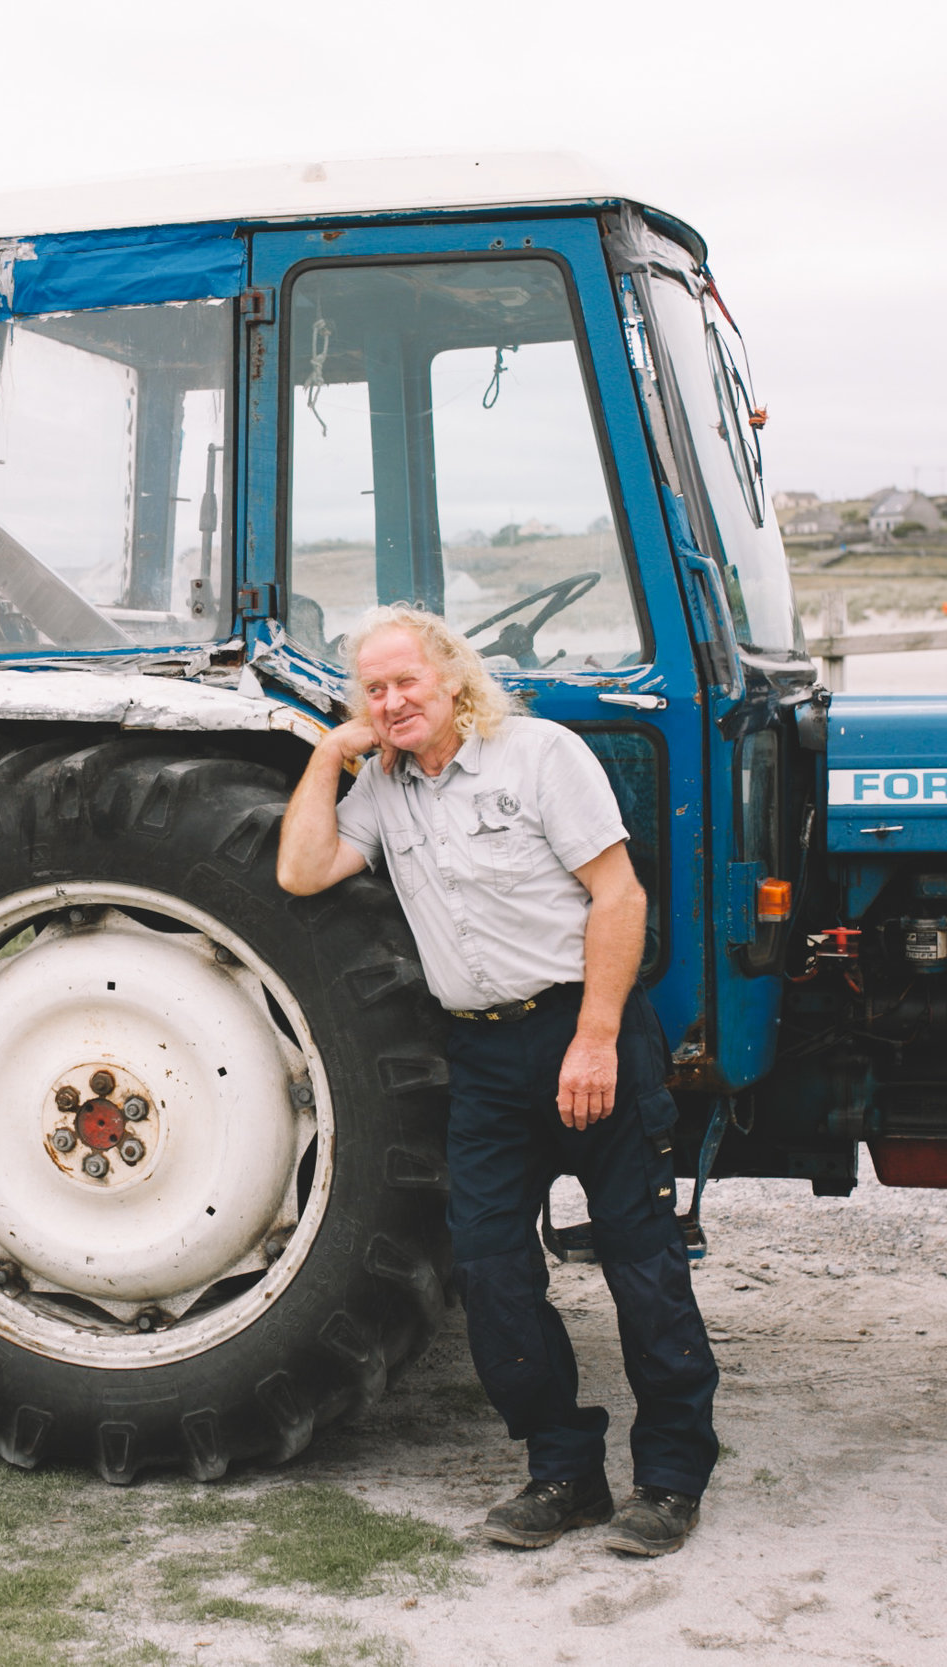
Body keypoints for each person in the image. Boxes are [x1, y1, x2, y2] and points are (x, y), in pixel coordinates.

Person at [277, 604, 718, 1557]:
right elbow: (305, 870)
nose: (392, 702)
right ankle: (563, 1470)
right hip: (479, 1054)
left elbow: (620, 894)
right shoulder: (386, 791)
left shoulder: (538, 756)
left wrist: (596, 1039)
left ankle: (673, 1479)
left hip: (583, 1029)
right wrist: (326, 755)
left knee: (642, 1263)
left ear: (453, 677)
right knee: (487, 1269)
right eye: (374, 689)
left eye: (407, 682)